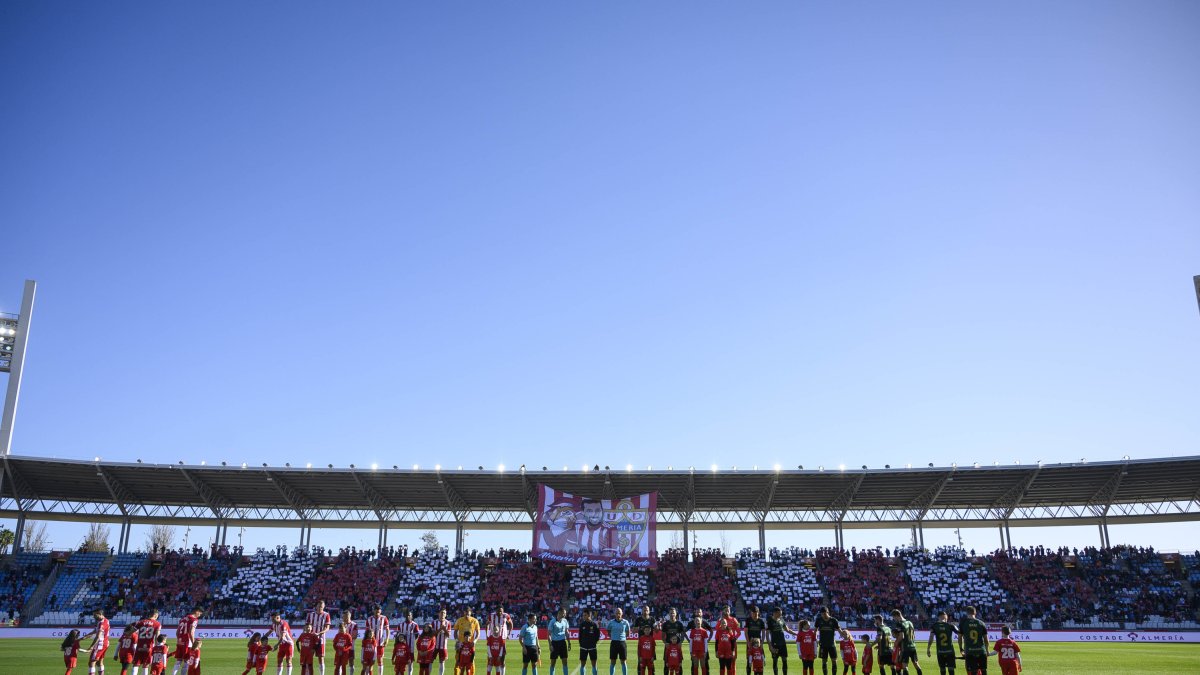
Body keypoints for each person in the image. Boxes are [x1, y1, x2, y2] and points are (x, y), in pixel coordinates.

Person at [957, 608, 988, 675]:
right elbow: (986, 639)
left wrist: (961, 648)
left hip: (970, 651)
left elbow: (959, 638)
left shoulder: (963, 623)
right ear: (975, 613)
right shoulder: (981, 623)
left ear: (967, 613)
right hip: (981, 651)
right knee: (984, 671)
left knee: (973, 672)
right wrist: (987, 650)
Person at [173, 608, 203, 675]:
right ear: (197, 611)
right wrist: (194, 644)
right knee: (186, 660)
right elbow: (191, 632)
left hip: (180, 641)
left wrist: (178, 639)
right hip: (187, 642)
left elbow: (177, 631)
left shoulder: (183, 618)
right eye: (200, 613)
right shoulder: (194, 620)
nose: (200, 615)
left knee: (178, 660)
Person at [133, 610, 162, 675]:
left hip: (139, 646)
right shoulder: (157, 624)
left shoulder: (141, 622)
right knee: (145, 665)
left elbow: (131, 632)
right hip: (149, 647)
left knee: (136, 665)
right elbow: (157, 637)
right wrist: (157, 647)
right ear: (155, 615)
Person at [766, 608, 793, 675]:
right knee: (775, 661)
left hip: (783, 644)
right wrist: (770, 646)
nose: (781, 614)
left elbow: (787, 629)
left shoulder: (781, 619)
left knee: (784, 660)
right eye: (779, 613)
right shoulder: (770, 621)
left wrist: (796, 634)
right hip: (775, 644)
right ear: (775, 613)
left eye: (781, 613)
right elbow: (767, 634)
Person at [309, 602, 334, 675]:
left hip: (321, 639)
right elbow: (307, 626)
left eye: (322, 606)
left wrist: (319, 633)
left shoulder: (326, 615)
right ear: (316, 606)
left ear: (324, 607)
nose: (320, 607)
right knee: (310, 657)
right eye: (319, 606)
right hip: (311, 639)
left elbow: (327, 628)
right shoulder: (311, 615)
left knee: (321, 658)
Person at [814, 608, 840, 675]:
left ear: (827, 612)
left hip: (831, 644)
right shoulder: (818, 620)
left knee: (834, 660)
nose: (823, 615)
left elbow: (839, 630)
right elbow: (815, 631)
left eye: (824, 613)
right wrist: (815, 639)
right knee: (824, 661)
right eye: (822, 614)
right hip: (823, 644)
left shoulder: (834, 620)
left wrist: (846, 635)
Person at [368, 605, 392, 675]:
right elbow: (367, 631)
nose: (377, 613)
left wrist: (387, 639)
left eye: (378, 612)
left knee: (380, 660)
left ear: (380, 611)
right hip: (371, 643)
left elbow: (387, 629)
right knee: (371, 661)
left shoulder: (384, 618)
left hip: (380, 643)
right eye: (376, 611)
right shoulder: (369, 619)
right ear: (374, 611)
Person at [607, 608, 632, 675]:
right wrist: (613, 636)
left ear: (622, 614)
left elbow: (628, 632)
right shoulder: (611, 622)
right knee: (613, 661)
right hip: (614, 643)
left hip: (622, 643)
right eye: (617, 613)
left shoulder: (625, 622)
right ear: (615, 614)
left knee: (623, 662)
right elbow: (608, 630)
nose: (618, 614)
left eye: (619, 613)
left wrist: (623, 638)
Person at [741, 607, 765, 675]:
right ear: (751, 613)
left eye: (755, 613)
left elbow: (763, 632)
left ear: (758, 612)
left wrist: (762, 642)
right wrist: (748, 642)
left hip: (759, 643)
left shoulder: (761, 621)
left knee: (761, 659)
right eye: (753, 613)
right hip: (750, 643)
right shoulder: (748, 620)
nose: (754, 615)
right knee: (749, 660)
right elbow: (745, 632)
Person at [577, 608, 600, 675]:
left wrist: (593, 642)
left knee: (594, 664)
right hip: (583, 647)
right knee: (582, 665)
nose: (583, 617)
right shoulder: (582, 625)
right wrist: (581, 644)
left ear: (589, 615)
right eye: (583, 615)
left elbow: (597, 636)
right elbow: (580, 636)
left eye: (585, 615)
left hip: (592, 647)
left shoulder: (594, 625)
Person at [549, 608, 571, 675]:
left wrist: (569, 642)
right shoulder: (552, 622)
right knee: (553, 662)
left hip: (563, 643)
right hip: (555, 643)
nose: (565, 614)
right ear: (559, 613)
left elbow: (566, 632)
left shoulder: (565, 621)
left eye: (565, 613)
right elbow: (549, 634)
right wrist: (550, 645)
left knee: (565, 661)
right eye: (564, 613)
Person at [89, 608, 112, 675]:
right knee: (100, 662)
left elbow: (98, 636)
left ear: (100, 614)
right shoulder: (106, 620)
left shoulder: (101, 623)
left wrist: (91, 646)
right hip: (105, 643)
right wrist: (85, 637)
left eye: (95, 615)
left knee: (92, 662)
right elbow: (95, 631)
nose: (94, 617)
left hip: (100, 644)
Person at [433, 609, 454, 675]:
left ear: (446, 614)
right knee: (430, 661)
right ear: (438, 614)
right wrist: (440, 629)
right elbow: (432, 635)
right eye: (441, 613)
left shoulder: (448, 623)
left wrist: (444, 629)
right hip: (433, 646)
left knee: (442, 661)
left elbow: (449, 635)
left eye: (444, 613)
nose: (443, 614)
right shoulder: (434, 622)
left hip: (443, 645)